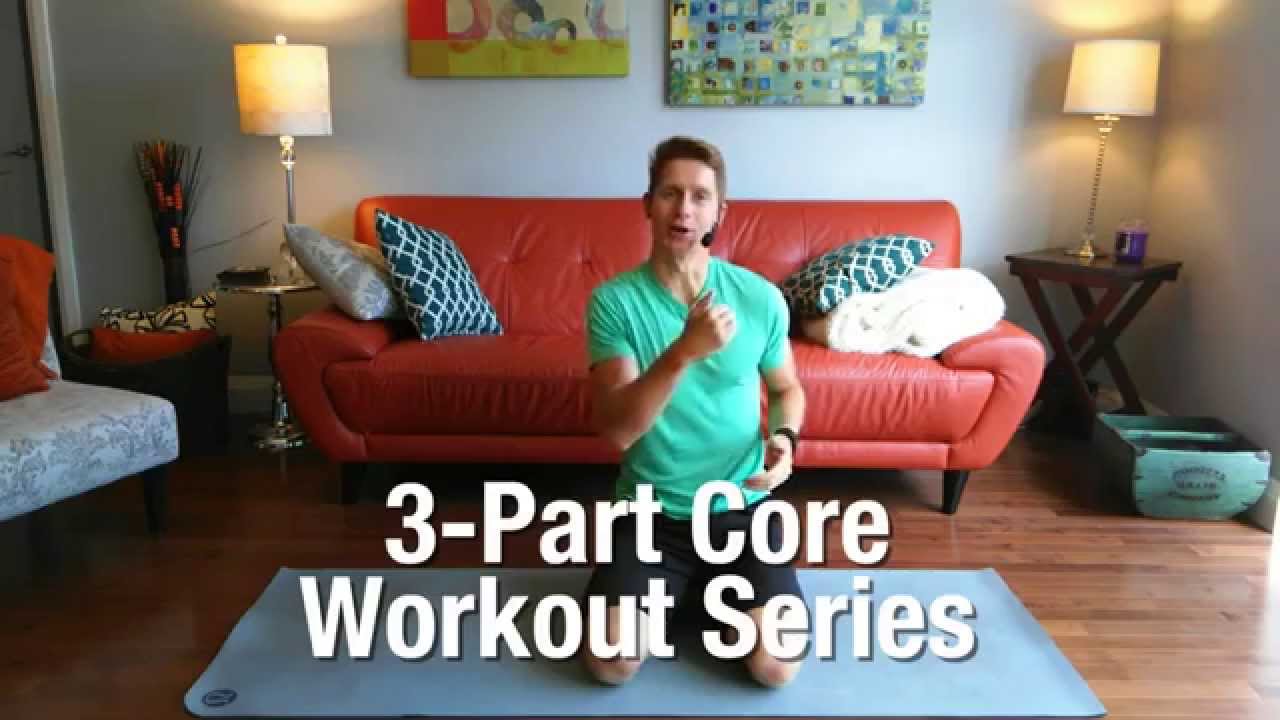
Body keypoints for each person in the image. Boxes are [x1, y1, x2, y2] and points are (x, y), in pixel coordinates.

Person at [581, 136, 808, 687]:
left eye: (700, 196)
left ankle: (694, 593)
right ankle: (688, 593)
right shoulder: (613, 302)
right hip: (650, 515)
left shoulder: (759, 298)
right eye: (670, 193)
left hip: (741, 511)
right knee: (612, 663)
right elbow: (618, 431)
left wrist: (785, 439)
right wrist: (683, 351)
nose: (684, 209)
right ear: (648, 205)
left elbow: (787, 388)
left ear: (719, 212)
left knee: (776, 667)